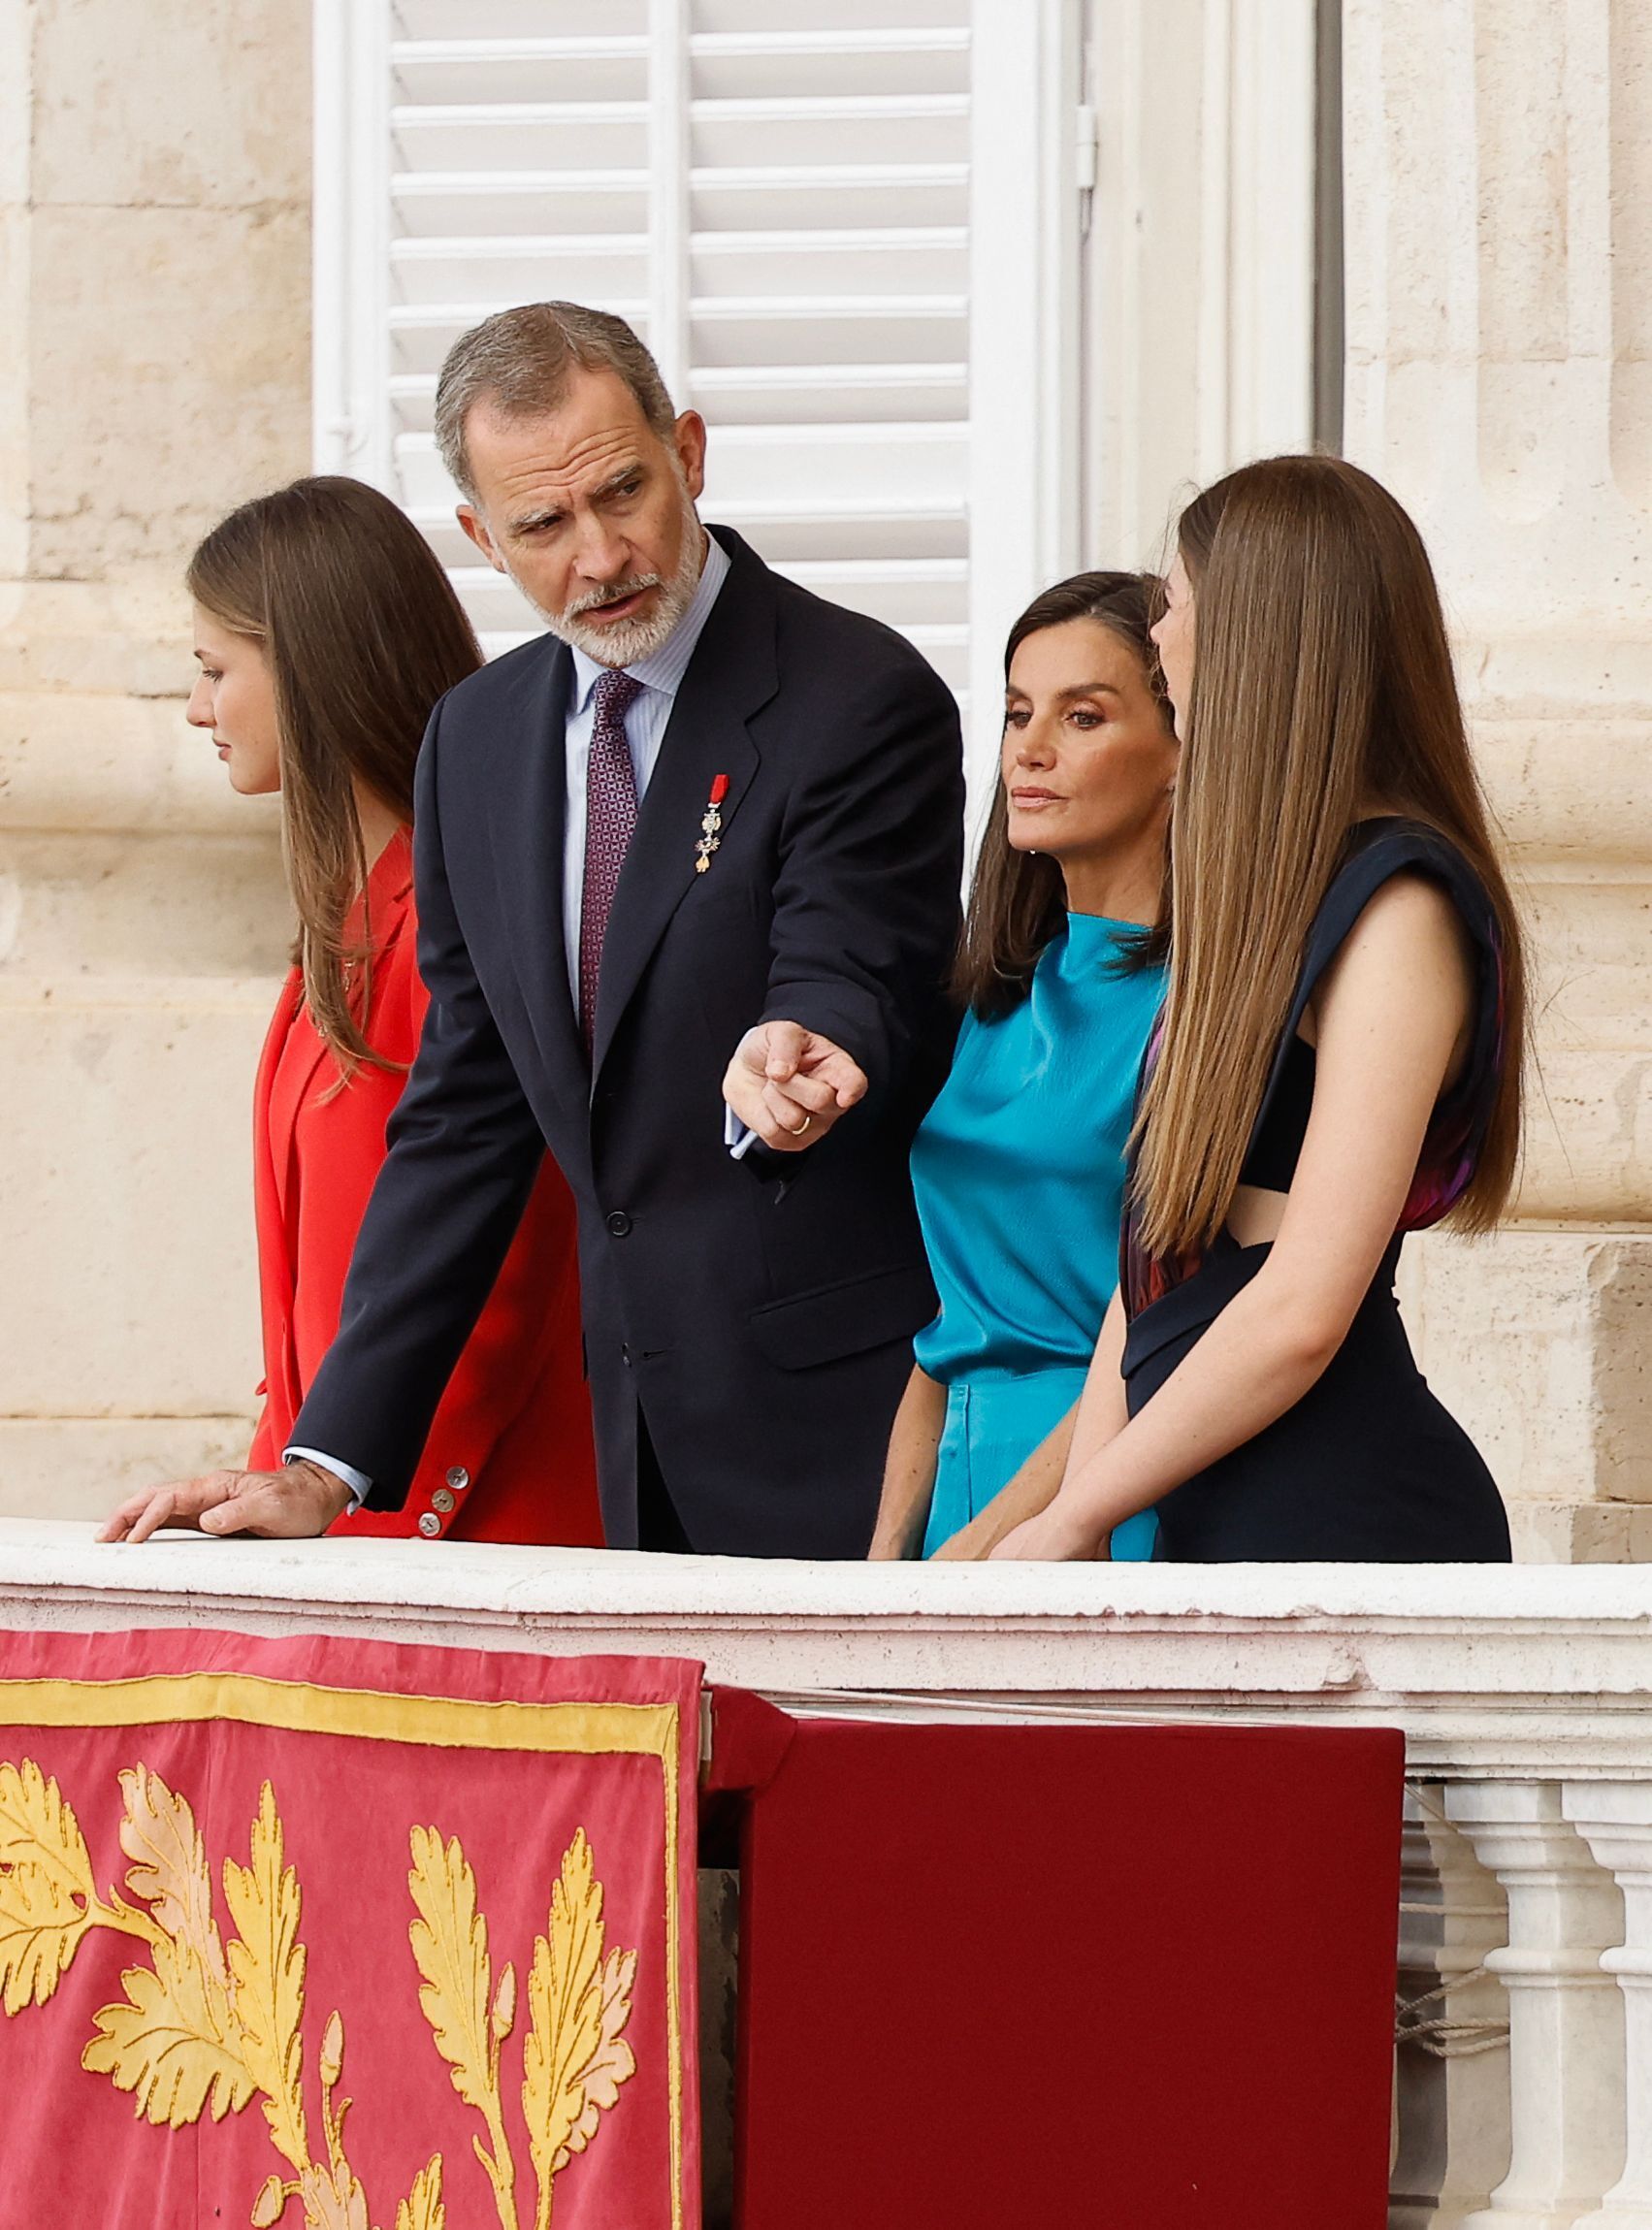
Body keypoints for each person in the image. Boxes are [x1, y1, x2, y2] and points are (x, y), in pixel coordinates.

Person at [104, 303, 964, 1558]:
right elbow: (466, 1114)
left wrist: (802, 1040)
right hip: (618, 1447)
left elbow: (848, 960)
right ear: (478, 534)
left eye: (623, 489)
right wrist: (326, 1459)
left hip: (834, 1433)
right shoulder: (477, 738)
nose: (601, 553)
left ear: (688, 448)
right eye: (543, 525)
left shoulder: (853, 691)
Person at [975, 455, 1524, 1563]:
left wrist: (1077, 1516)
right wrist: (1069, 1522)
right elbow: (1155, 1256)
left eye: (1171, 600)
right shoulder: (1274, 893)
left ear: (1255, 626)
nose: (1157, 633)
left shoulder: (1398, 902)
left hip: (1348, 1525)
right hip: (1210, 1523)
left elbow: (1301, 1307)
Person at [102, 477, 601, 1548]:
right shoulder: (345, 931)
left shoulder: (450, 925)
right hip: (347, 1528)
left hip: (469, 1540)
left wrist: (341, 1499)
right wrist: (271, 1477)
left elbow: (509, 1257)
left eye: (213, 669)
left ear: (308, 669)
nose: (197, 708)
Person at [867, 574, 1176, 1562]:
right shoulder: (996, 993)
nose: (1027, 750)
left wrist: (995, 1548)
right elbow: (944, 1330)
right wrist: (883, 1565)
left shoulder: (1198, 1009)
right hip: (958, 1487)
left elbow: (1154, 1332)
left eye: (1080, 716)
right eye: (1014, 713)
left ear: (1181, 749)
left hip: (1103, 1490)